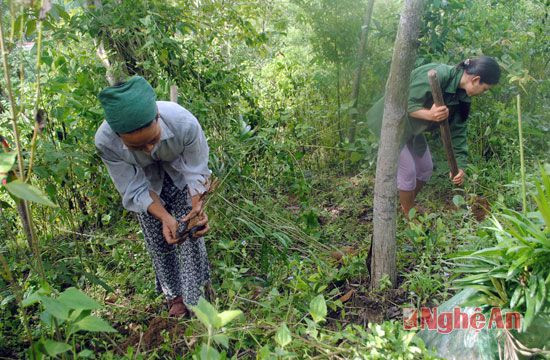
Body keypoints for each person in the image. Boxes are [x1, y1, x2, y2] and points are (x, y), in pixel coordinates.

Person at [95, 76, 211, 317]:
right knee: (159, 239)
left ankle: (197, 298)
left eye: (152, 140)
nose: (149, 149)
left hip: (180, 175)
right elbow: (133, 187)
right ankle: (176, 298)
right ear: (118, 136)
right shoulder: (106, 142)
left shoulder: (184, 123)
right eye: (138, 147)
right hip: (146, 184)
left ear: (157, 117)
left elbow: (196, 171)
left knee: (188, 232)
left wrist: (196, 209)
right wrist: (163, 217)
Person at [367, 56, 501, 216]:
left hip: (412, 130)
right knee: (408, 171)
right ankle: (409, 213)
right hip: (389, 123)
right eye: (485, 89)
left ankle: (406, 206)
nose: (483, 93)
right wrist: (429, 115)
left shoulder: (462, 97)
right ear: (476, 79)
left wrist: (460, 167)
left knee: (425, 168)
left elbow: (458, 132)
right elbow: (400, 101)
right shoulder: (438, 75)